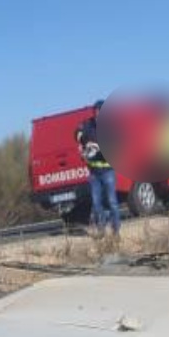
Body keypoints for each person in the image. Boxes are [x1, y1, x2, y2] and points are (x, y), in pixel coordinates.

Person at [76, 100, 120, 236]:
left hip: (107, 171)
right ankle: (101, 229)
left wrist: (100, 149)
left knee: (112, 202)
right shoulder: (88, 125)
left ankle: (116, 230)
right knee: (96, 204)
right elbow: (78, 132)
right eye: (96, 112)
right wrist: (81, 142)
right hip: (94, 173)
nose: (97, 114)